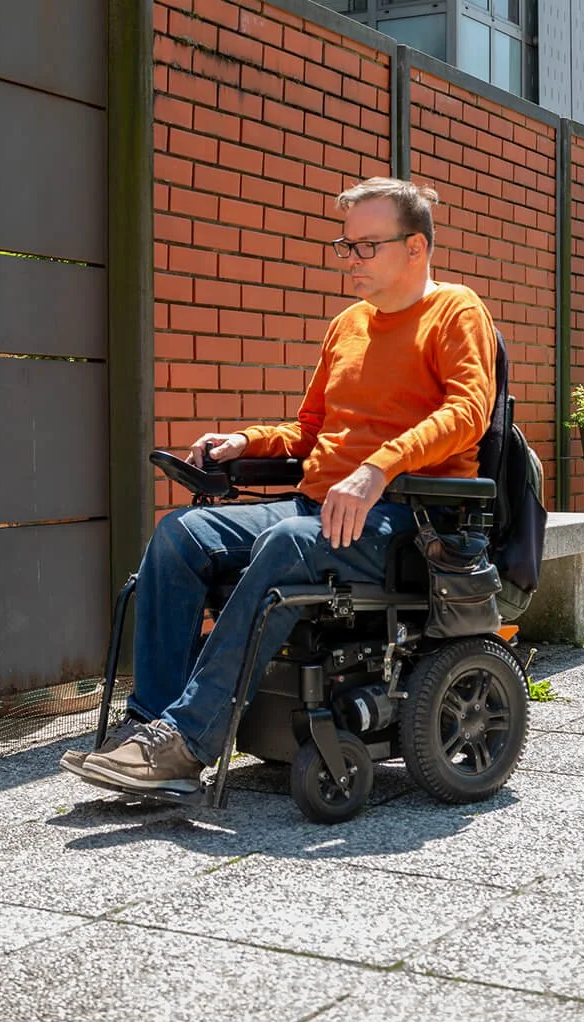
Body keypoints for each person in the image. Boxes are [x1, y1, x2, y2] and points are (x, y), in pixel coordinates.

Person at [62, 177, 497, 798]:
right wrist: (248, 441)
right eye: (345, 246)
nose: (350, 261)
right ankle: (149, 727)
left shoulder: (456, 312)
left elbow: (467, 414)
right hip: (319, 506)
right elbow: (312, 430)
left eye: (365, 247)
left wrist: (378, 469)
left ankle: (189, 743)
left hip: (409, 518)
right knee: (181, 536)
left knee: (291, 542)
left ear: (416, 248)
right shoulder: (348, 325)